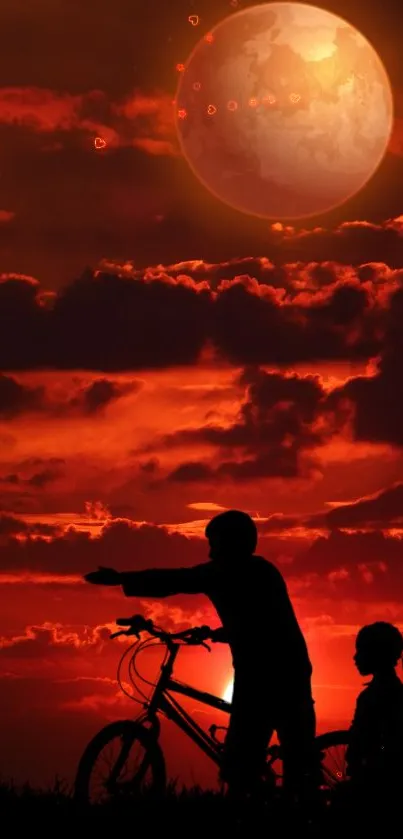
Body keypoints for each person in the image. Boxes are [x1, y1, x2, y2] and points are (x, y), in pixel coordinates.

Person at [84, 509, 317, 800]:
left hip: (261, 675)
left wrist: (121, 578)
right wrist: (220, 633)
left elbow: (177, 580)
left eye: (215, 543)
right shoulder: (263, 571)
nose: (210, 551)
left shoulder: (224, 572)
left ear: (232, 543)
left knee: (243, 764)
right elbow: (259, 620)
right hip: (290, 667)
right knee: (296, 755)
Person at [346, 621, 403, 801]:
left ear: (376, 654)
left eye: (360, 651)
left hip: (374, 783)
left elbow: (385, 741)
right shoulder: (393, 690)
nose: (355, 658)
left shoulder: (375, 695)